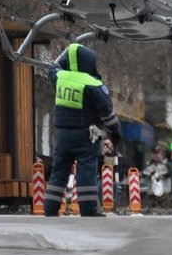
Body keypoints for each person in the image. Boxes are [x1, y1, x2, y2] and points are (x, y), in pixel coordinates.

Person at [43, 43, 122, 217]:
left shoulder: (60, 77)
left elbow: (52, 68)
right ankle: (88, 210)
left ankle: (50, 208)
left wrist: (69, 50)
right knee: (86, 172)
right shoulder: (93, 84)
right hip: (86, 136)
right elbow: (107, 114)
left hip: (62, 135)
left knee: (59, 172)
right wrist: (116, 133)